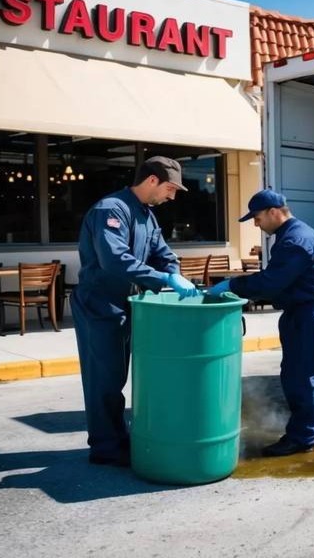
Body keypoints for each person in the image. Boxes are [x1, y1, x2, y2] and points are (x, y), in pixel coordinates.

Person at [72, 156, 201, 467]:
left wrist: (174, 272)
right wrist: (164, 280)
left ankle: (118, 438)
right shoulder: (111, 210)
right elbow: (114, 259)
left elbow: (162, 253)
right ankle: (105, 447)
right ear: (152, 180)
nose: (173, 196)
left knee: (119, 374)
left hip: (127, 303)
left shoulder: (147, 215)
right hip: (100, 303)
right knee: (104, 378)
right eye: (171, 188)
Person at [208, 190, 314, 457]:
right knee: (309, 373)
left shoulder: (295, 241)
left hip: (308, 312)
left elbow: (271, 282)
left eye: (257, 218)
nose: (256, 224)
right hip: (307, 310)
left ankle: (302, 437)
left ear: (274, 212)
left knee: (300, 376)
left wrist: (232, 285)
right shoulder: (294, 235)